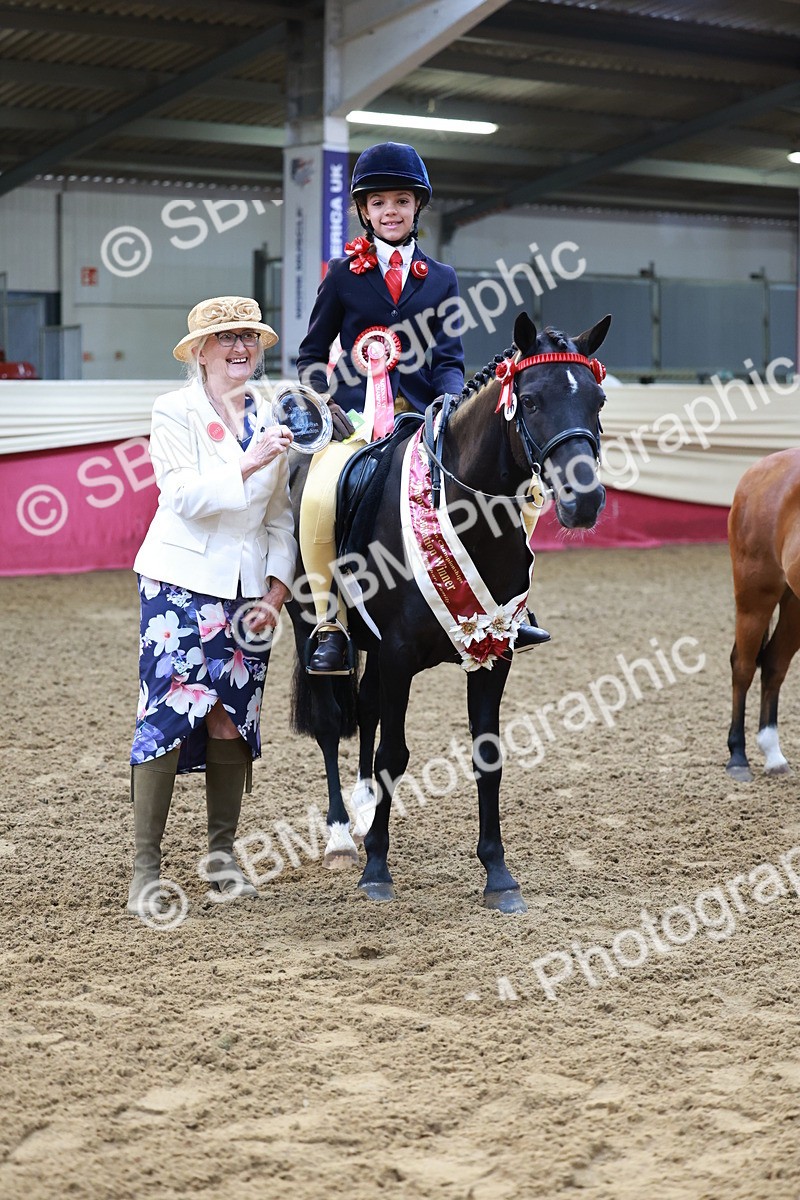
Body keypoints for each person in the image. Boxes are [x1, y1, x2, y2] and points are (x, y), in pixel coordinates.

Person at [295, 141, 548, 674]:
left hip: (424, 419)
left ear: (417, 209)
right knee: (319, 497)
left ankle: (510, 607)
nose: (391, 211)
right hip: (355, 420)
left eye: (402, 201)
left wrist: (449, 405)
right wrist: (321, 397)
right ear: (364, 209)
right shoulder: (342, 275)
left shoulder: (442, 279)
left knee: (523, 493)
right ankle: (329, 623)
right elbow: (312, 353)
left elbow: (450, 357)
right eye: (380, 202)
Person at [127, 295, 297, 916]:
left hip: (250, 592)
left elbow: (281, 517)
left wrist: (277, 592)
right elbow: (181, 498)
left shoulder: (277, 411)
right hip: (179, 584)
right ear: (199, 352)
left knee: (232, 720)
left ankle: (221, 861)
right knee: (168, 719)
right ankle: (145, 869)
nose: (239, 348)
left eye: (248, 338)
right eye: (225, 339)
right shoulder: (174, 411)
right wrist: (251, 460)